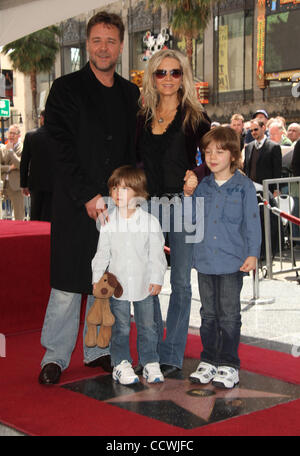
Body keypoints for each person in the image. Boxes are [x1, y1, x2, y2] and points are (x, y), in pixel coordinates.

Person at [38, 11, 140, 385]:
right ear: (87, 44)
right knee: (67, 284)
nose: (103, 47)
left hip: (118, 208)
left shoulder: (132, 94)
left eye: (111, 41)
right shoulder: (65, 89)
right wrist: (86, 195)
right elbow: (59, 147)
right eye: (97, 40)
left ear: (121, 46)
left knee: (107, 282)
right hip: (74, 204)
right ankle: (55, 356)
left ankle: (99, 350)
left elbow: (137, 150)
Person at [136, 49, 211, 377]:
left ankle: (172, 352)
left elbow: (218, 153)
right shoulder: (141, 114)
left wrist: (198, 172)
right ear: (152, 77)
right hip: (148, 207)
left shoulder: (195, 114)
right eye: (161, 73)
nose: (168, 79)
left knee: (180, 282)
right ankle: (150, 350)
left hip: (182, 206)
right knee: (147, 280)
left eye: (175, 72)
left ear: (184, 76)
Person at [184, 126, 261, 388]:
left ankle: (229, 363)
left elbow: (253, 223)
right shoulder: (203, 186)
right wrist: (187, 195)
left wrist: (253, 253)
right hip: (205, 260)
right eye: (207, 152)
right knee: (208, 314)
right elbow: (190, 220)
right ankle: (209, 359)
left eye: (220, 151)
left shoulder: (244, 187)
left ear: (233, 154)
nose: (212, 156)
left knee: (229, 314)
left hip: (231, 261)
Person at [92, 165, 167, 385]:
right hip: (118, 287)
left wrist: (157, 278)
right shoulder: (108, 223)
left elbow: (157, 254)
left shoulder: (150, 222)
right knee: (121, 326)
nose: (117, 193)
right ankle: (121, 363)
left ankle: (150, 361)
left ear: (139, 192)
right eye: (114, 188)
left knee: (148, 326)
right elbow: (102, 254)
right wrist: (96, 280)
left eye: (124, 189)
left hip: (144, 284)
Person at [20, 110, 54, 221]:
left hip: (35, 182)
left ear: (42, 119)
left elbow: (24, 162)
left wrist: (23, 184)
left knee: (35, 213)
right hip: (53, 183)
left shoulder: (31, 136)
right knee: (50, 214)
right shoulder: (60, 137)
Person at [243, 118, 282, 194]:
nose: (253, 132)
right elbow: (246, 169)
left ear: (263, 128)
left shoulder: (274, 147)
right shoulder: (248, 147)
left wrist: (276, 189)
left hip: (268, 190)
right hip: (251, 190)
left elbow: (277, 170)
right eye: (251, 131)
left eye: (256, 129)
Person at [0, 124, 24, 220]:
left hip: (16, 187)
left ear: (19, 135)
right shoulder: (2, 149)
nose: (11, 136)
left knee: (19, 216)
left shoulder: (22, 148)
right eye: (10, 133)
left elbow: (20, 165)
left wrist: (10, 151)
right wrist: (9, 168)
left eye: (14, 133)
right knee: (3, 217)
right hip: (3, 186)